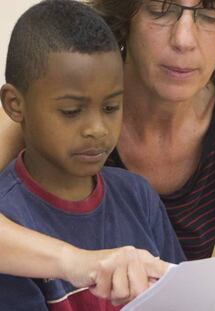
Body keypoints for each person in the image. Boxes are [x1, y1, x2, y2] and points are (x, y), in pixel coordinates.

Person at [0, 0, 215, 306]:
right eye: (160, 8)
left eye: (210, 14)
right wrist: (80, 263)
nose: (183, 39)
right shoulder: (47, 99)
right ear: (126, 13)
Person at [0, 0, 185, 309]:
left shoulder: (137, 196)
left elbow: (185, 299)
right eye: (71, 111)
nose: (97, 129)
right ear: (15, 104)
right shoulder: (11, 218)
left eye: (111, 107)